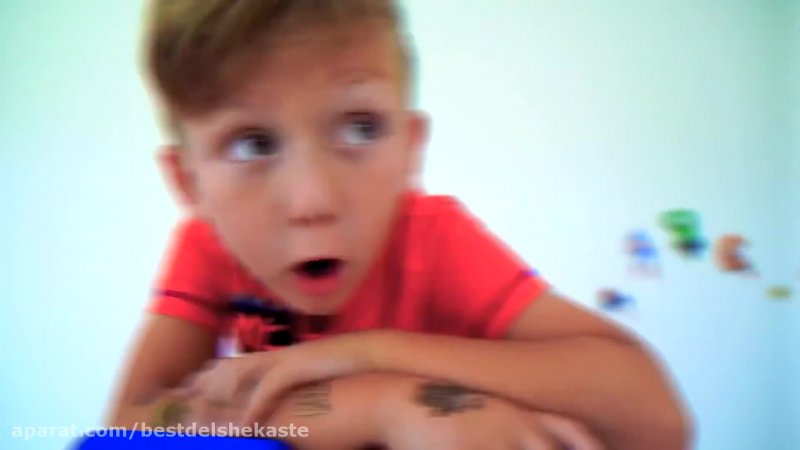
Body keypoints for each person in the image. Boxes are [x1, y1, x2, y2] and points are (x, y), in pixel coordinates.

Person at [107, 1, 692, 448]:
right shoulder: (208, 247)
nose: (313, 200)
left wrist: (366, 353)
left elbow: (657, 415)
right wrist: (384, 401)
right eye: (252, 144)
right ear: (190, 184)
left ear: (411, 148)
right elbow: (127, 425)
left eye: (360, 128)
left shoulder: (433, 239)